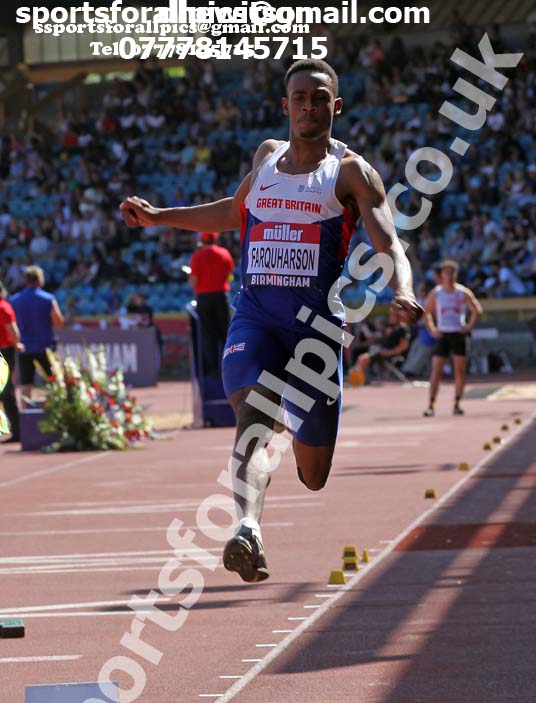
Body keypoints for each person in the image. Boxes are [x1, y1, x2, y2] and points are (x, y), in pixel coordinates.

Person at [120, 59, 422, 583]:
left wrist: (403, 289)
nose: (308, 105)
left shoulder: (350, 173)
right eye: (299, 97)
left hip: (317, 332)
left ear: (336, 106)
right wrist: (159, 217)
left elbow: (388, 240)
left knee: (314, 473)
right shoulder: (266, 158)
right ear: (285, 106)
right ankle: (248, 528)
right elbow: (231, 211)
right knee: (254, 416)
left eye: (318, 97)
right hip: (255, 319)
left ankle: (275, 490)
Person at [422, 259, 483, 417]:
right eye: (446, 273)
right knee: (436, 371)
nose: (449, 276)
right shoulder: (437, 293)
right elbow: (426, 311)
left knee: (459, 371)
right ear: (441, 275)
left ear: (456, 275)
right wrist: (432, 330)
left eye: (452, 273)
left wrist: (469, 326)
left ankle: (456, 404)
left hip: (458, 334)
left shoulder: (462, 292)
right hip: (443, 334)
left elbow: (477, 309)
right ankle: (431, 404)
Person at [10, 266, 64, 401]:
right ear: (40, 279)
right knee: (51, 382)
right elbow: (58, 323)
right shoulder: (49, 299)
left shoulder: (15, 300)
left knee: (25, 384)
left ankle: (25, 416)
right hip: (45, 347)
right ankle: (53, 413)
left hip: (24, 347)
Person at [189, 232, 234, 375]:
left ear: (202, 239)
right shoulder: (225, 253)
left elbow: (193, 281)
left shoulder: (197, 256)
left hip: (204, 297)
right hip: (221, 296)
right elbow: (230, 276)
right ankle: (228, 367)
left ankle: (212, 370)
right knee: (225, 333)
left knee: (208, 335)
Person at [349, 307, 410, 383]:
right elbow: (375, 336)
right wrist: (364, 330)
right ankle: (359, 380)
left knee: (362, 359)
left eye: (392, 315)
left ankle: (357, 381)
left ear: (398, 316)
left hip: (392, 354)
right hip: (382, 352)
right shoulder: (389, 327)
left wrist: (390, 352)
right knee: (362, 358)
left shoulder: (402, 328)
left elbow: (404, 346)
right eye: (390, 314)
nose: (390, 316)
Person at [0, 280, 22, 443]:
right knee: (7, 391)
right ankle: (17, 430)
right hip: (5, 351)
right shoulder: (5, 307)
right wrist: (17, 344)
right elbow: (13, 330)